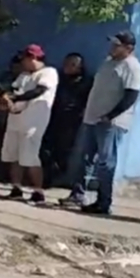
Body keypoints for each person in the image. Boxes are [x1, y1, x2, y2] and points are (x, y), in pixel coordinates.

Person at [63, 31, 140, 215]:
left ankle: (103, 202)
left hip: (111, 122)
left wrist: (111, 115)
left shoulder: (132, 67)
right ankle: (78, 194)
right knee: (83, 158)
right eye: (113, 44)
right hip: (92, 118)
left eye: (117, 45)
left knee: (105, 162)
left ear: (129, 48)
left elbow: (131, 96)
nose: (113, 47)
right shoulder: (108, 63)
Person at [0, 44, 59, 204]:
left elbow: (39, 91)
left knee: (30, 157)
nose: (22, 63)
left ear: (33, 58)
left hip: (33, 123)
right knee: (13, 156)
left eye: (25, 59)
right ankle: (16, 188)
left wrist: (17, 99)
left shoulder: (48, 73)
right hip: (15, 120)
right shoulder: (24, 75)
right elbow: (14, 89)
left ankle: (38, 192)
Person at [41, 52, 91, 186]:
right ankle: (46, 178)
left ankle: (60, 176)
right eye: (66, 63)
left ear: (80, 67)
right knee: (46, 149)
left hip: (71, 121)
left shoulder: (85, 82)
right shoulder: (58, 79)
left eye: (72, 64)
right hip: (53, 117)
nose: (67, 67)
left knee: (63, 151)